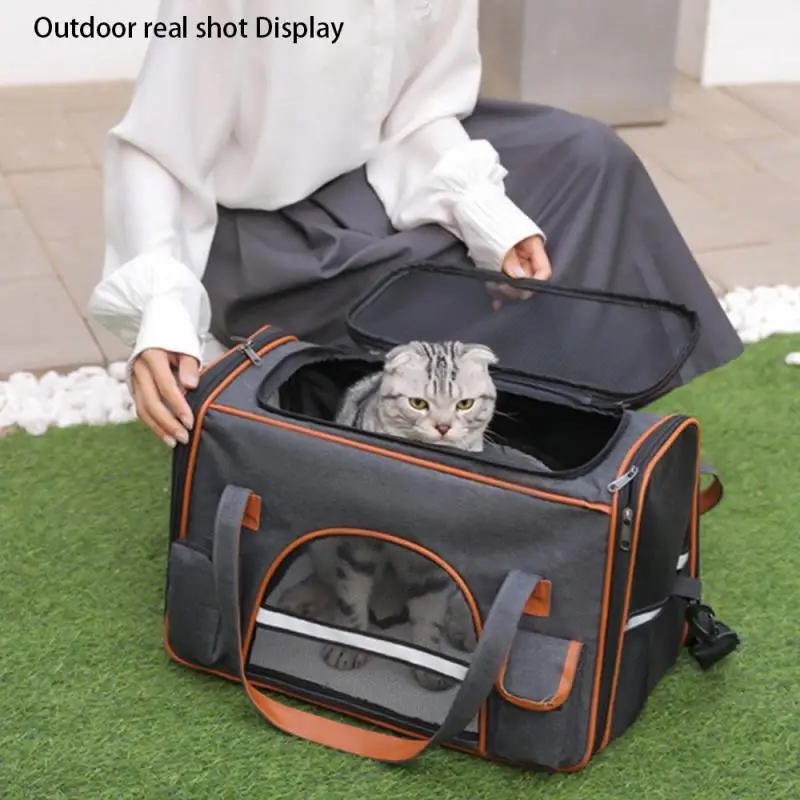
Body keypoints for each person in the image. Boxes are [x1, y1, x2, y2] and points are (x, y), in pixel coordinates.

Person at [89, 0, 743, 448]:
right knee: (424, 279)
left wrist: (488, 219)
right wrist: (163, 312)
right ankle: (534, 441)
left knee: (590, 159)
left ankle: (572, 418)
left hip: (373, 173)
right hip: (266, 237)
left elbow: (420, 112)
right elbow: (158, 151)